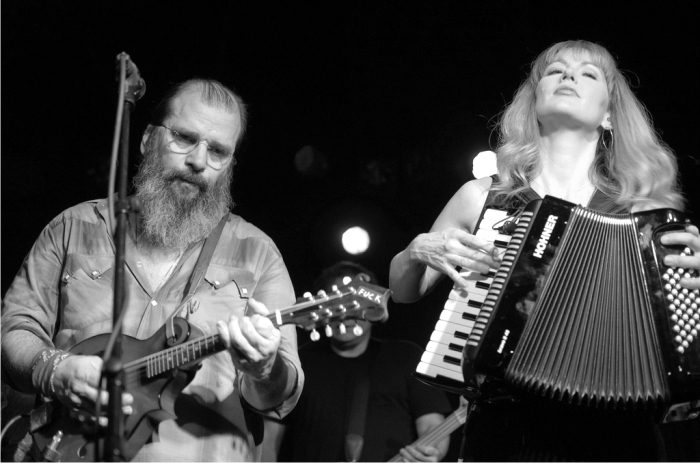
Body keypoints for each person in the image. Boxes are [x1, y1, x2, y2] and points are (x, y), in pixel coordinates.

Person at [389, 40, 700, 461]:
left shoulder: (644, 217)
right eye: (555, 71)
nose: (570, 76)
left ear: (609, 115)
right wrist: (416, 251)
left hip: (620, 432)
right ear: (533, 103)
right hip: (505, 430)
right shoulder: (482, 198)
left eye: (589, 73)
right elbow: (405, 291)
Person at [1, 78, 304, 462]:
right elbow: (14, 329)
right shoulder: (72, 227)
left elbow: (282, 398)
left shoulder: (259, 254)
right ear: (147, 139)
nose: (198, 160)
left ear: (230, 166)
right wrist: (54, 370)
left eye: (218, 151)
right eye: (184, 137)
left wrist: (264, 369)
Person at [264, 262, 454, 462]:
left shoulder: (406, 356)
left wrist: (432, 453)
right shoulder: (296, 362)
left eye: (354, 304)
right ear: (321, 306)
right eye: (337, 304)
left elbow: (432, 423)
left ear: (373, 306)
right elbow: (269, 437)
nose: (345, 314)